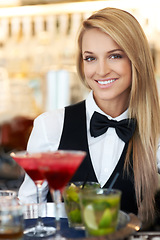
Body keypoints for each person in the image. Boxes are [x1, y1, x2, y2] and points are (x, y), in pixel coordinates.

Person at [18, 7, 160, 224]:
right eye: (90, 58)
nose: (101, 70)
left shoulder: (156, 132)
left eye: (115, 56)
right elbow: (29, 212)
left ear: (136, 59)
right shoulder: (50, 126)